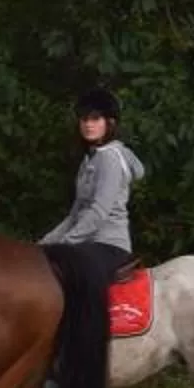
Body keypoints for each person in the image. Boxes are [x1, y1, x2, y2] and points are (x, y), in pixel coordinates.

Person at [41, 86, 144, 282]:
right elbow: (74, 216)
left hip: (109, 245)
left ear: (109, 123)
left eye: (95, 119)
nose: (88, 125)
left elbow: (99, 211)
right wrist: (44, 244)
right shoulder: (90, 160)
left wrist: (65, 244)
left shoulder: (110, 159)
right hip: (88, 243)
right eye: (84, 119)